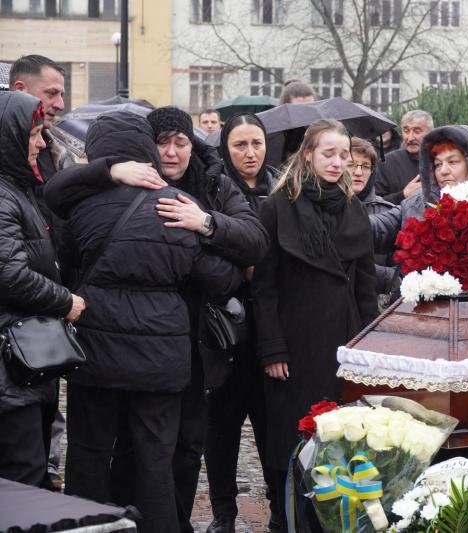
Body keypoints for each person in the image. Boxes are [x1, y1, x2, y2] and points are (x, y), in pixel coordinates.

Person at [43, 105, 269, 533]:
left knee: (89, 456)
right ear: (146, 149)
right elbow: (219, 278)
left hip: (96, 353)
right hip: (162, 358)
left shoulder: (78, 207)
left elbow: (65, 264)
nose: (171, 151)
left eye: (181, 142)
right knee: (156, 462)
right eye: (162, 143)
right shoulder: (176, 206)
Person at [251, 119, 378, 531]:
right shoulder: (277, 207)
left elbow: (365, 286)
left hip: (342, 342)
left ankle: (333, 520)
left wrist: (368, 348)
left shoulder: (354, 208)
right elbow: (264, 287)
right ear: (308, 154)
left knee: (341, 440)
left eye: (344, 155)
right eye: (329, 153)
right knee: (291, 441)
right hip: (294, 343)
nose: (338, 163)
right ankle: (286, 518)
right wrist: (272, 348)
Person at [0, 91, 84, 489]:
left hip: (21, 367)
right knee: (21, 480)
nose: (40, 143)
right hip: (10, 370)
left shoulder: (18, 190)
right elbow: (9, 273)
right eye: (33, 134)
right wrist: (65, 301)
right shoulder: (3, 196)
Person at [203, 113, 278, 533]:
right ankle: (223, 512)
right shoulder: (213, 189)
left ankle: (278, 505)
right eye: (240, 145)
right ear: (225, 149)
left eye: (256, 143)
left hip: (271, 327)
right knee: (221, 427)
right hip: (225, 328)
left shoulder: (282, 186)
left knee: (272, 425)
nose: (250, 153)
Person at [370, 125, 468, 256]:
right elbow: (380, 227)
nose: (443, 171)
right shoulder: (417, 203)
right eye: (438, 164)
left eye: (453, 162)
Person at [349, 137, 399, 304]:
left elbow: (399, 274)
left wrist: (361, 269)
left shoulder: (388, 213)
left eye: (365, 166)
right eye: (351, 165)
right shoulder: (320, 209)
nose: (358, 172)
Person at [373, 109, 433, 205]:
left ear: (430, 133)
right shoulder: (387, 162)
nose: (410, 138)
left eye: (417, 131)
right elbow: (375, 204)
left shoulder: (440, 160)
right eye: (406, 131)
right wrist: (403, 195)